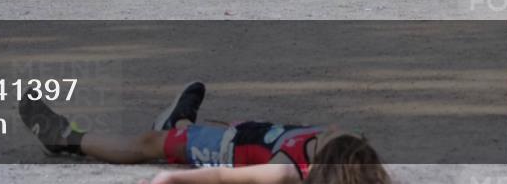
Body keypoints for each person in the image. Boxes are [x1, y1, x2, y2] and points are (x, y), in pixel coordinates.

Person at [19, 82, 390, 184]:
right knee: (178, 132)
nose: (335, 129)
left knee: (147, 145)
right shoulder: (351, 154)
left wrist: (176, 180)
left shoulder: (285, 170)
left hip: (223, 148)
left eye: (327, 137)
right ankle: (178, 121)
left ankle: (65, 136)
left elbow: (226, 177)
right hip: (248, 133)